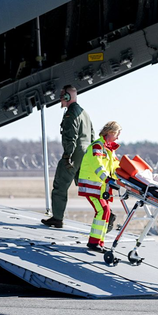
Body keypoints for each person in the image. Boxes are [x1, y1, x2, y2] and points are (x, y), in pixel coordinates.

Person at [41, 85, 94, 228]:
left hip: (75, 153)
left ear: (67, 97)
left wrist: (67, 155)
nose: (60, 98)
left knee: (60, 185)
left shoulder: (71, 113)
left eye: (62, 95)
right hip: (86, 153)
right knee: (87, 187)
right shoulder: (85, 113)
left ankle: (57, 218)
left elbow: (70, 135)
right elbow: (92, 135)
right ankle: (107, 213)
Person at [77, 121, 122, 252]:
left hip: (101, 188)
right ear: (111, 132)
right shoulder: (97, 146)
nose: (118, 137)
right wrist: (107, 179)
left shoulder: (109, 150)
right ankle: (94, 243)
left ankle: (99, 242)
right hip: (92, 186)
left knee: (106, 212)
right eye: (117, 134)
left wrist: (123, 177)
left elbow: (115, 167)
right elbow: (97, 165)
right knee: (103, 211)